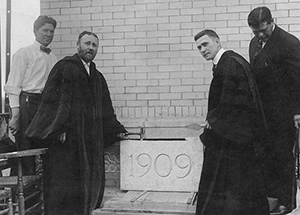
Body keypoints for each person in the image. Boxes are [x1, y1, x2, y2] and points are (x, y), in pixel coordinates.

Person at [25, 31, 128, 215]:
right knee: (66, 189)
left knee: (88, 188)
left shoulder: (97, 78)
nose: (90, 48)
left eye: (94, 45)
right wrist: (59, 128)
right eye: (87, 43)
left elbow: (106, 109)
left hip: (89, 143)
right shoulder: (64, 67)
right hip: (67, 143)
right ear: (77, 45)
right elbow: (53, 101)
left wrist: (116, 130)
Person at [194, 29, 270, 215]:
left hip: (234, 139)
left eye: (205, 44)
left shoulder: (230, 64)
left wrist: (213, 121)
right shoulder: (226, 64)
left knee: (231, 186)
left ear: (217, 42)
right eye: (199, 47)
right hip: (231, 135)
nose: (202, 50)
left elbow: (236, 101)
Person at [248, 6, 300, 214]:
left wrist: (298, 111)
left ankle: (287, 202)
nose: (260, 35)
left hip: (285, 113)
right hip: (263, 114)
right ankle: (272, 198)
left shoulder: (289, 43)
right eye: (255, 31)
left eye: (263, 29)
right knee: (267, 156)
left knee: (284, 157)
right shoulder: (254, 44)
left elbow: (298, 80)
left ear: (272, 21)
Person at [4, 15, 57, 175]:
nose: (48, 34)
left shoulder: (52, 58)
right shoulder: (24, 53)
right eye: (45, 30)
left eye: (52, 31)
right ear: (35, 31)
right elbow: (14, 84)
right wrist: (15, 114)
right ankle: (23, 194)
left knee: (41, 146)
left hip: (44, 105)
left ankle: (38, 190)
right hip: (27, 103)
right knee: (25, 146)